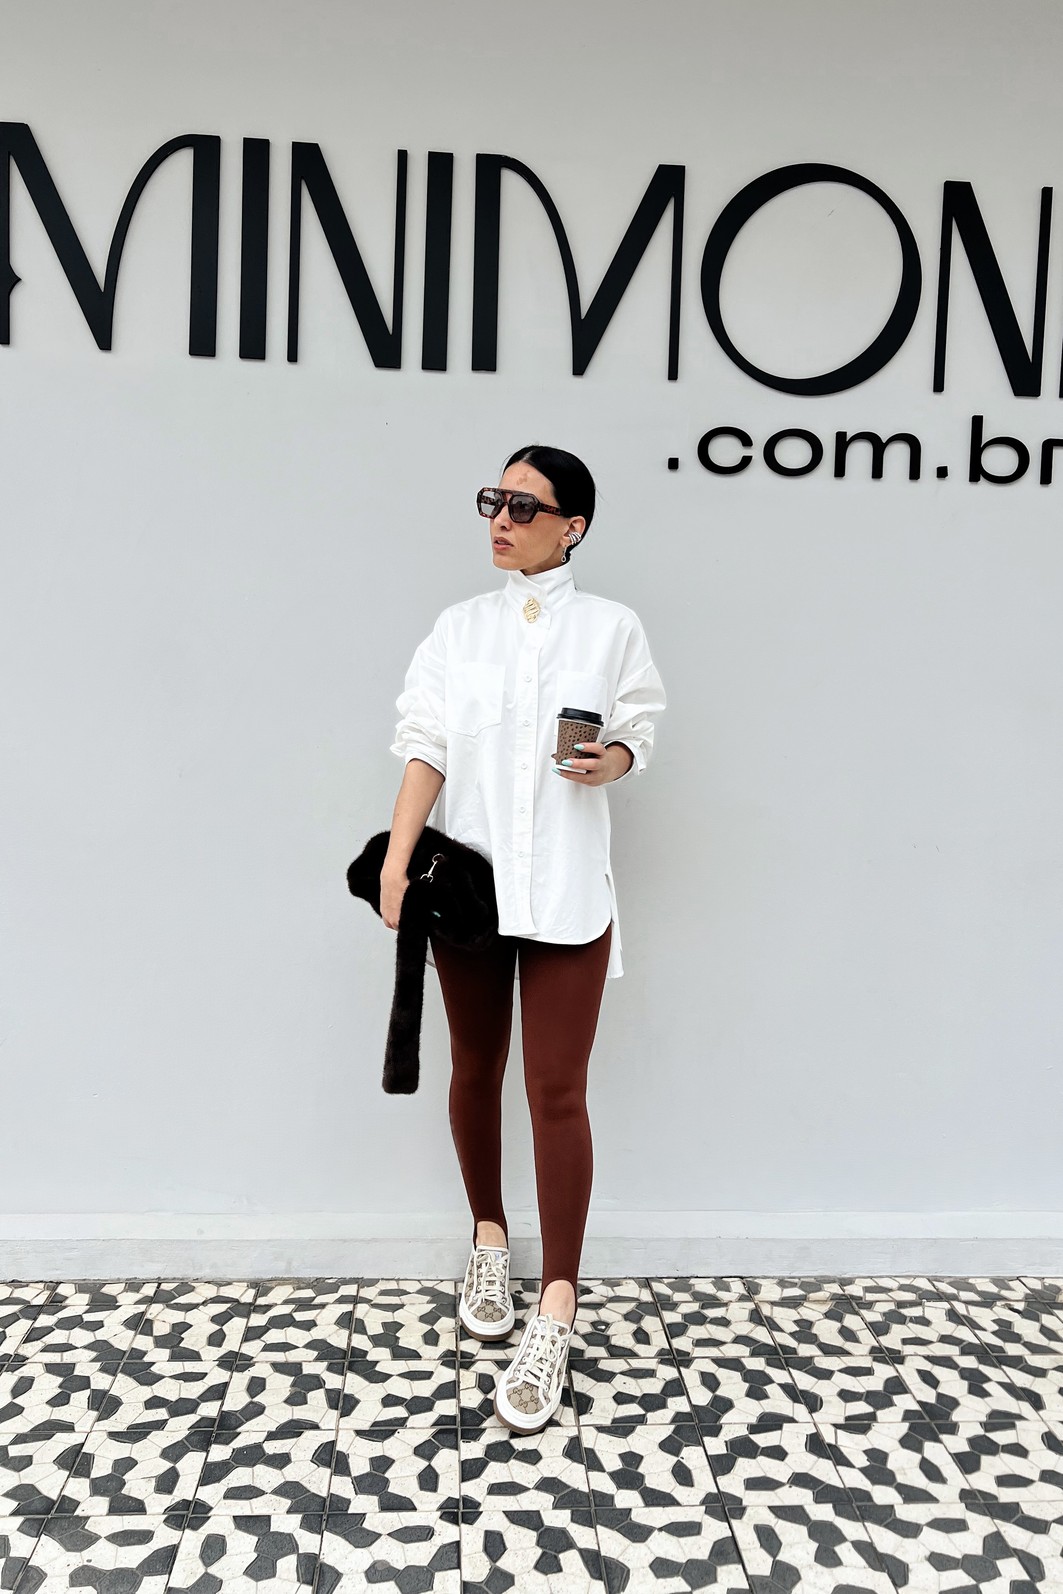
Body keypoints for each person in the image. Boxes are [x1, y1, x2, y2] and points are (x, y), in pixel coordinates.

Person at [381, 444, 666, 1433]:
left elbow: (640, 724)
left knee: (556, 1091)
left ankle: (557, 1307)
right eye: (492, 500)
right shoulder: (458, 629)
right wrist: (396, 859)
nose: (500, 518)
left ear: (571, 526)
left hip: (568, 892)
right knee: (475, 1067)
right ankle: (489, 1240)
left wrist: (612, 758)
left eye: (522, 504)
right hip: (468, 890)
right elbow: (424, 743)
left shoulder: (611, 627)